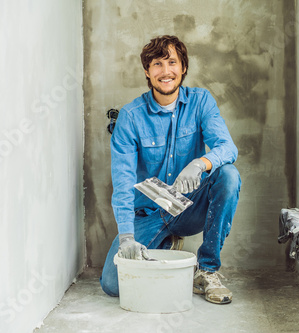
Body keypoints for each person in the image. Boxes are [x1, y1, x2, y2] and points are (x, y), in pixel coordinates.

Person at [100, 35, 241, 304]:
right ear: (147, 71)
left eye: (172, 62)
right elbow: (123, 182)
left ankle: (207, 270)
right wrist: (127, 238)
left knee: (228, 175)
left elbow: (227, 147)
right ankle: (164, 244)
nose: (166, 72)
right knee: (112, 284)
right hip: (149, 213)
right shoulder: (130, 117)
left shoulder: (201, 102)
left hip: (189, 207)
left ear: (183, 67)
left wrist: (200, 163)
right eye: (157, 64)